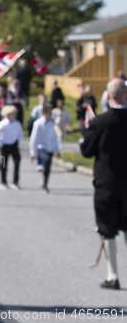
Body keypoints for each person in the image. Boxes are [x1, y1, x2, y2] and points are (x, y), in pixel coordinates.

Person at [80, 78, 127, 290]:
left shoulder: (99, 122)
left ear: (108, 97)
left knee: (107, 229)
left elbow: (87, 151)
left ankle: (113, 275)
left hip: (107, 182)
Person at [29, 103, 61, 194]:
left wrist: (57, 149)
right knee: (46, 160)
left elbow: (55, 137)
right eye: (49, 113)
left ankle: (44, 183)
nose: (50, 115)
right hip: (41, 147)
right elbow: (33, 139)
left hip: (50, 148)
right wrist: (32, 151)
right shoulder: (38, 124)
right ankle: (41, 168)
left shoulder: (52, 124)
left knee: (48, 167)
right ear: (44, 112)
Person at [0, 105, 24, 191]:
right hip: (4, 145)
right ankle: (3, 182)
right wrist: (0, 143)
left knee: (17, 161)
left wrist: (17, 140)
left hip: (13, 145)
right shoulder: (2, 124)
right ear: (8, 115)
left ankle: (15, 182)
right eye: (13, 114)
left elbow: (20, 133)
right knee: (4, 164)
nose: (15, 116)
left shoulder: (17, 124)